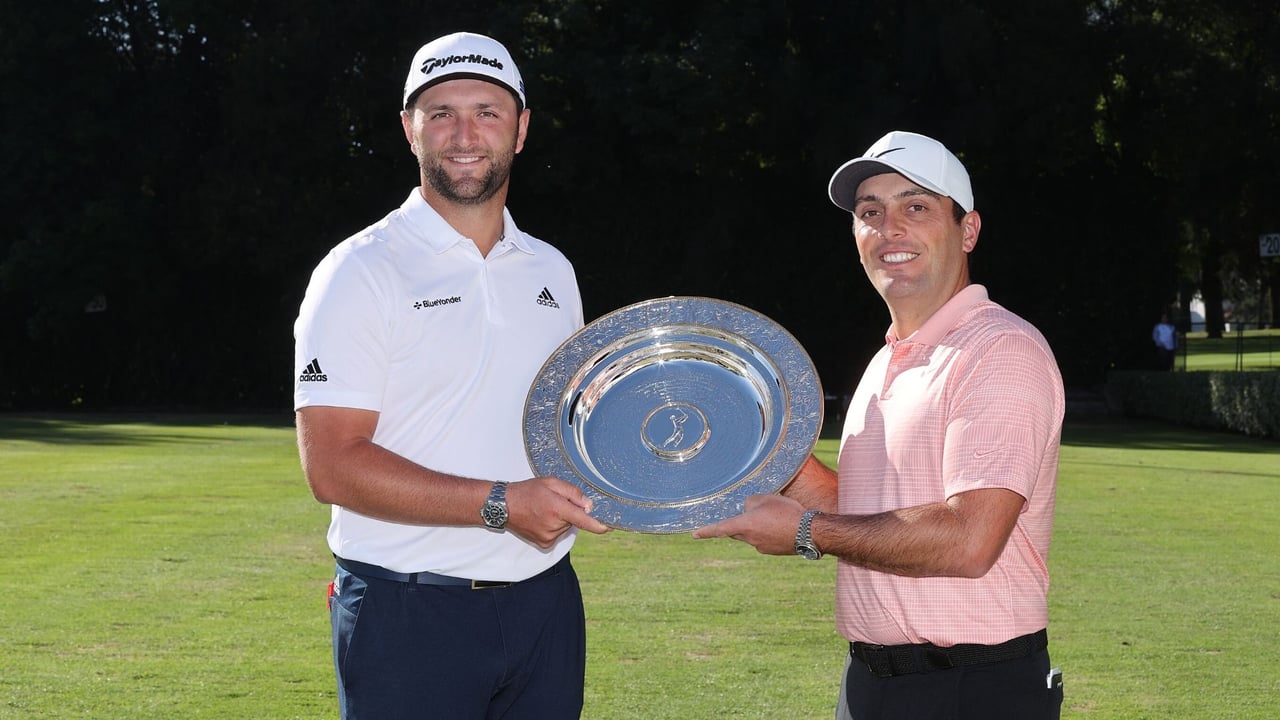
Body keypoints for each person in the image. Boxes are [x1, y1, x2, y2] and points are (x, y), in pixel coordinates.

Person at [693, 131, 1066, 719]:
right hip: (873, 682)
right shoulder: (888, 358)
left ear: (967, 229)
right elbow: (867, 506)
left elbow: (970, 539)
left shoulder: (999, 349)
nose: (890, 228)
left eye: (915, 207)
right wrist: (758, 446)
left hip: (971, 688)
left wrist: (806, 532)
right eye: (871, 213)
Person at [292, 31, 610, 719]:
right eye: (441, 113)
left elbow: (570, 424)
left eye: (487, 112)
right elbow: (333, 468)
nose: (464, 134)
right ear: (410, 129)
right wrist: (503, 503)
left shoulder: (551, 269)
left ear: (521, 130)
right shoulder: (358, 271)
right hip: (408, 610)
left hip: (544, 597)